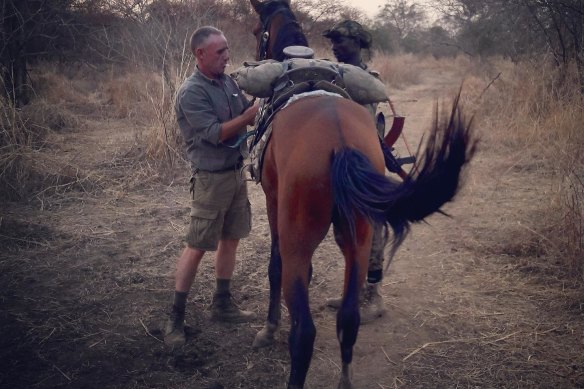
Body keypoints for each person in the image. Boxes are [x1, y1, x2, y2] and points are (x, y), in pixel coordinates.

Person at [164, 26, 260, 347]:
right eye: (219, 52)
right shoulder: (191, 92)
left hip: (235, 175)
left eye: (227, 50)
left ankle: (222, 304)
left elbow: (249, 108)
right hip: (210, 179)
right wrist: (248, 117)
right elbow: (214, 132)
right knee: (198, 245)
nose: (226, 56)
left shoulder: (228, 82)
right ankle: (175, 317)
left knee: (230, 240)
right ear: (200, 54)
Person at [323, 20, 388, 323]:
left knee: (371, 230)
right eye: (333, 42)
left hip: (363, 164)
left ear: (359, 43)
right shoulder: (327, 76)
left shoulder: (367, 80)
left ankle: (373, 296)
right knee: (342, 230)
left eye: (342, 41)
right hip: (338, 164)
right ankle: (354, 289)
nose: (335, 47)